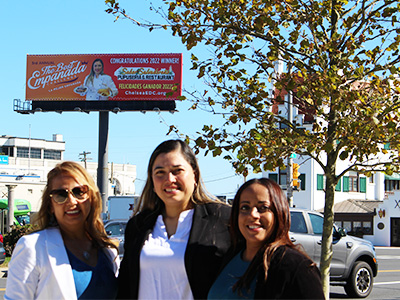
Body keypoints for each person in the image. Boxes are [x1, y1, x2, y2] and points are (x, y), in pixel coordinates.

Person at [117, 139, 231, 300]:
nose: (169, 179)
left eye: (177, 171)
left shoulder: (223, 219)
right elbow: (125, 287)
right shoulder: (137, 226)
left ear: (195, 175)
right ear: (152, 180)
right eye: (160, 172)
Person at [5, 161, 120, 300]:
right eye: (61, 194)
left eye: (79, 192)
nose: (71, 201)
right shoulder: (32, 247)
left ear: (91, 198)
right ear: (50, 205)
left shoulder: (108, 250)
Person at [208, 178, 325, 299]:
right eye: (244, 207)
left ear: (279, 213)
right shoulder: (230, 255)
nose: (253, 214)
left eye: (263, 207)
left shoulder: (297, 268)